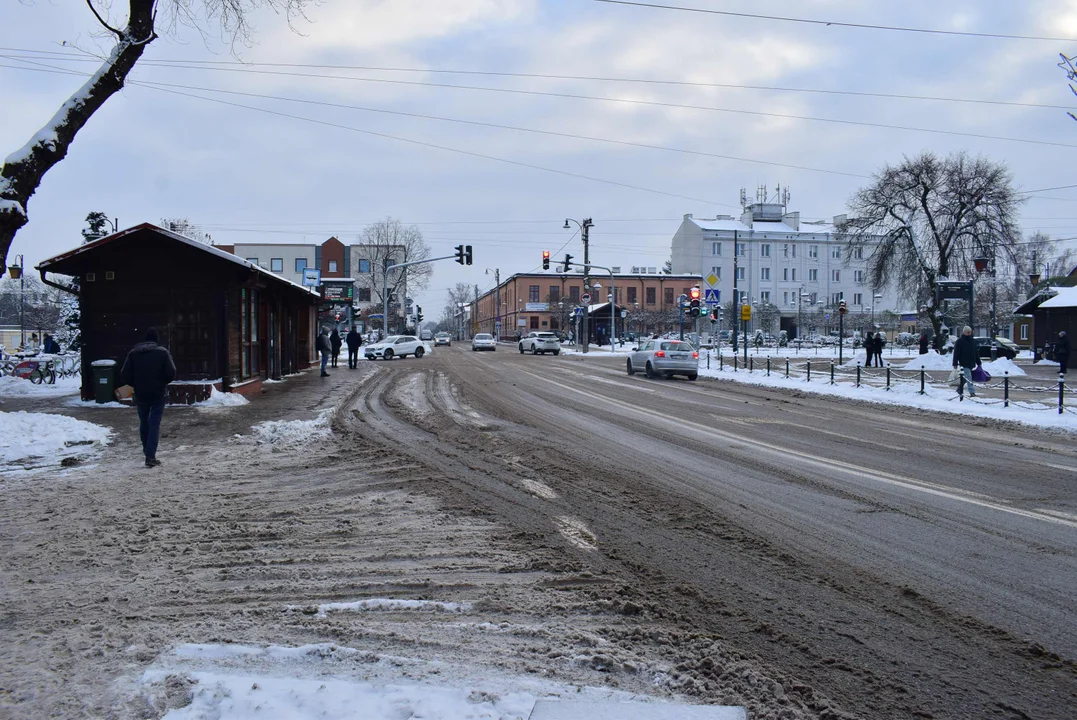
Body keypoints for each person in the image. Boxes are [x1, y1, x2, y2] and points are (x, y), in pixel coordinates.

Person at [120, 328, 177, 468]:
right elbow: (171, 372)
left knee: (143, 422)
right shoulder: (162, 353)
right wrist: (161, 381)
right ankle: (150, 456)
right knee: (154, 423)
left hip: (140, 393)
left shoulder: (133, 353)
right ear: (156, 339)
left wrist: (136, 383)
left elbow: (124, 373)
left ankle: (147, 451)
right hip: (158, 392)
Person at [952, 325, 982, 399]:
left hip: (972, 362)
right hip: (964, 362)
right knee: (969, 377)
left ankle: (959, 389)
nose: (969, 334)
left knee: (967, 377)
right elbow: (956, 353)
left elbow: (976, 352)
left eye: (970, 332)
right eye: (968, 332)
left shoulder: (973, 341)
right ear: (964, 332)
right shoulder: (959, 341)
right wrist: (955, 363)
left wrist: (978, 362)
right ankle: (972, 392)